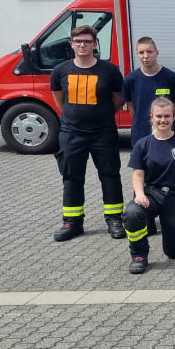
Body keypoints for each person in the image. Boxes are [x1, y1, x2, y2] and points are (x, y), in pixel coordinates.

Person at [50, 25, 125, 241]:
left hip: (104, 132)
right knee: (72, 177)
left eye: (87, 41)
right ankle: (72, 222)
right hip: (72, 133)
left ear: (95, 44)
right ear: (71, 44)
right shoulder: (60, 71)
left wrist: (102, 115)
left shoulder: (109, 70)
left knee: (110, 176)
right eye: (78, 41)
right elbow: (59, 99)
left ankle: (114, 220)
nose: (83, 45)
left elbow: (117, 99)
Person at [122, 97, 175, 274]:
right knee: (132, 213)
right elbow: (137, 174)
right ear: (151, 117)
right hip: (151, 194)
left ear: (174, 117)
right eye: (158, 116)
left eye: (167, 116)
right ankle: (139, 256)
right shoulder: (143, 144)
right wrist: (139, 194)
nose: (163, 120)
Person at [122, 36, 175, 236]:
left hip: (168, 136)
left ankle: (171, 211)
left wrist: (168, 126)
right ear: (136, 54)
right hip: (141, 135)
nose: (145, 56)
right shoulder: (131, 79)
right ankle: (145, 219)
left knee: (171, 171)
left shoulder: (170, 77)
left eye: (149, 51)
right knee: (141, 176)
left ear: (157, 52)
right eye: (141, 52)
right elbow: (132, 108)